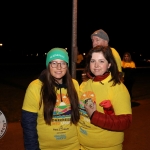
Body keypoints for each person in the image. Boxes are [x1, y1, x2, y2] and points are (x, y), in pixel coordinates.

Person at [21, 48, 80, 150]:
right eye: (54, 63)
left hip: (74, 146)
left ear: (67, 66)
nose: (59, 67)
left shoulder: (74, 84)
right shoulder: (35, 87)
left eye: (63, 63)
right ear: (48, 65)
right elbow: (28, 124)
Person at [77, 45, 132, 150]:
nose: (96, 65)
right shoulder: (84, 85)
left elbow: (126, 121)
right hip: (83, 146)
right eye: (93, 61)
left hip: (107, 147)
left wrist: (94, 115)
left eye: (101, 61)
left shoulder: (118, 87)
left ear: (109, 64)